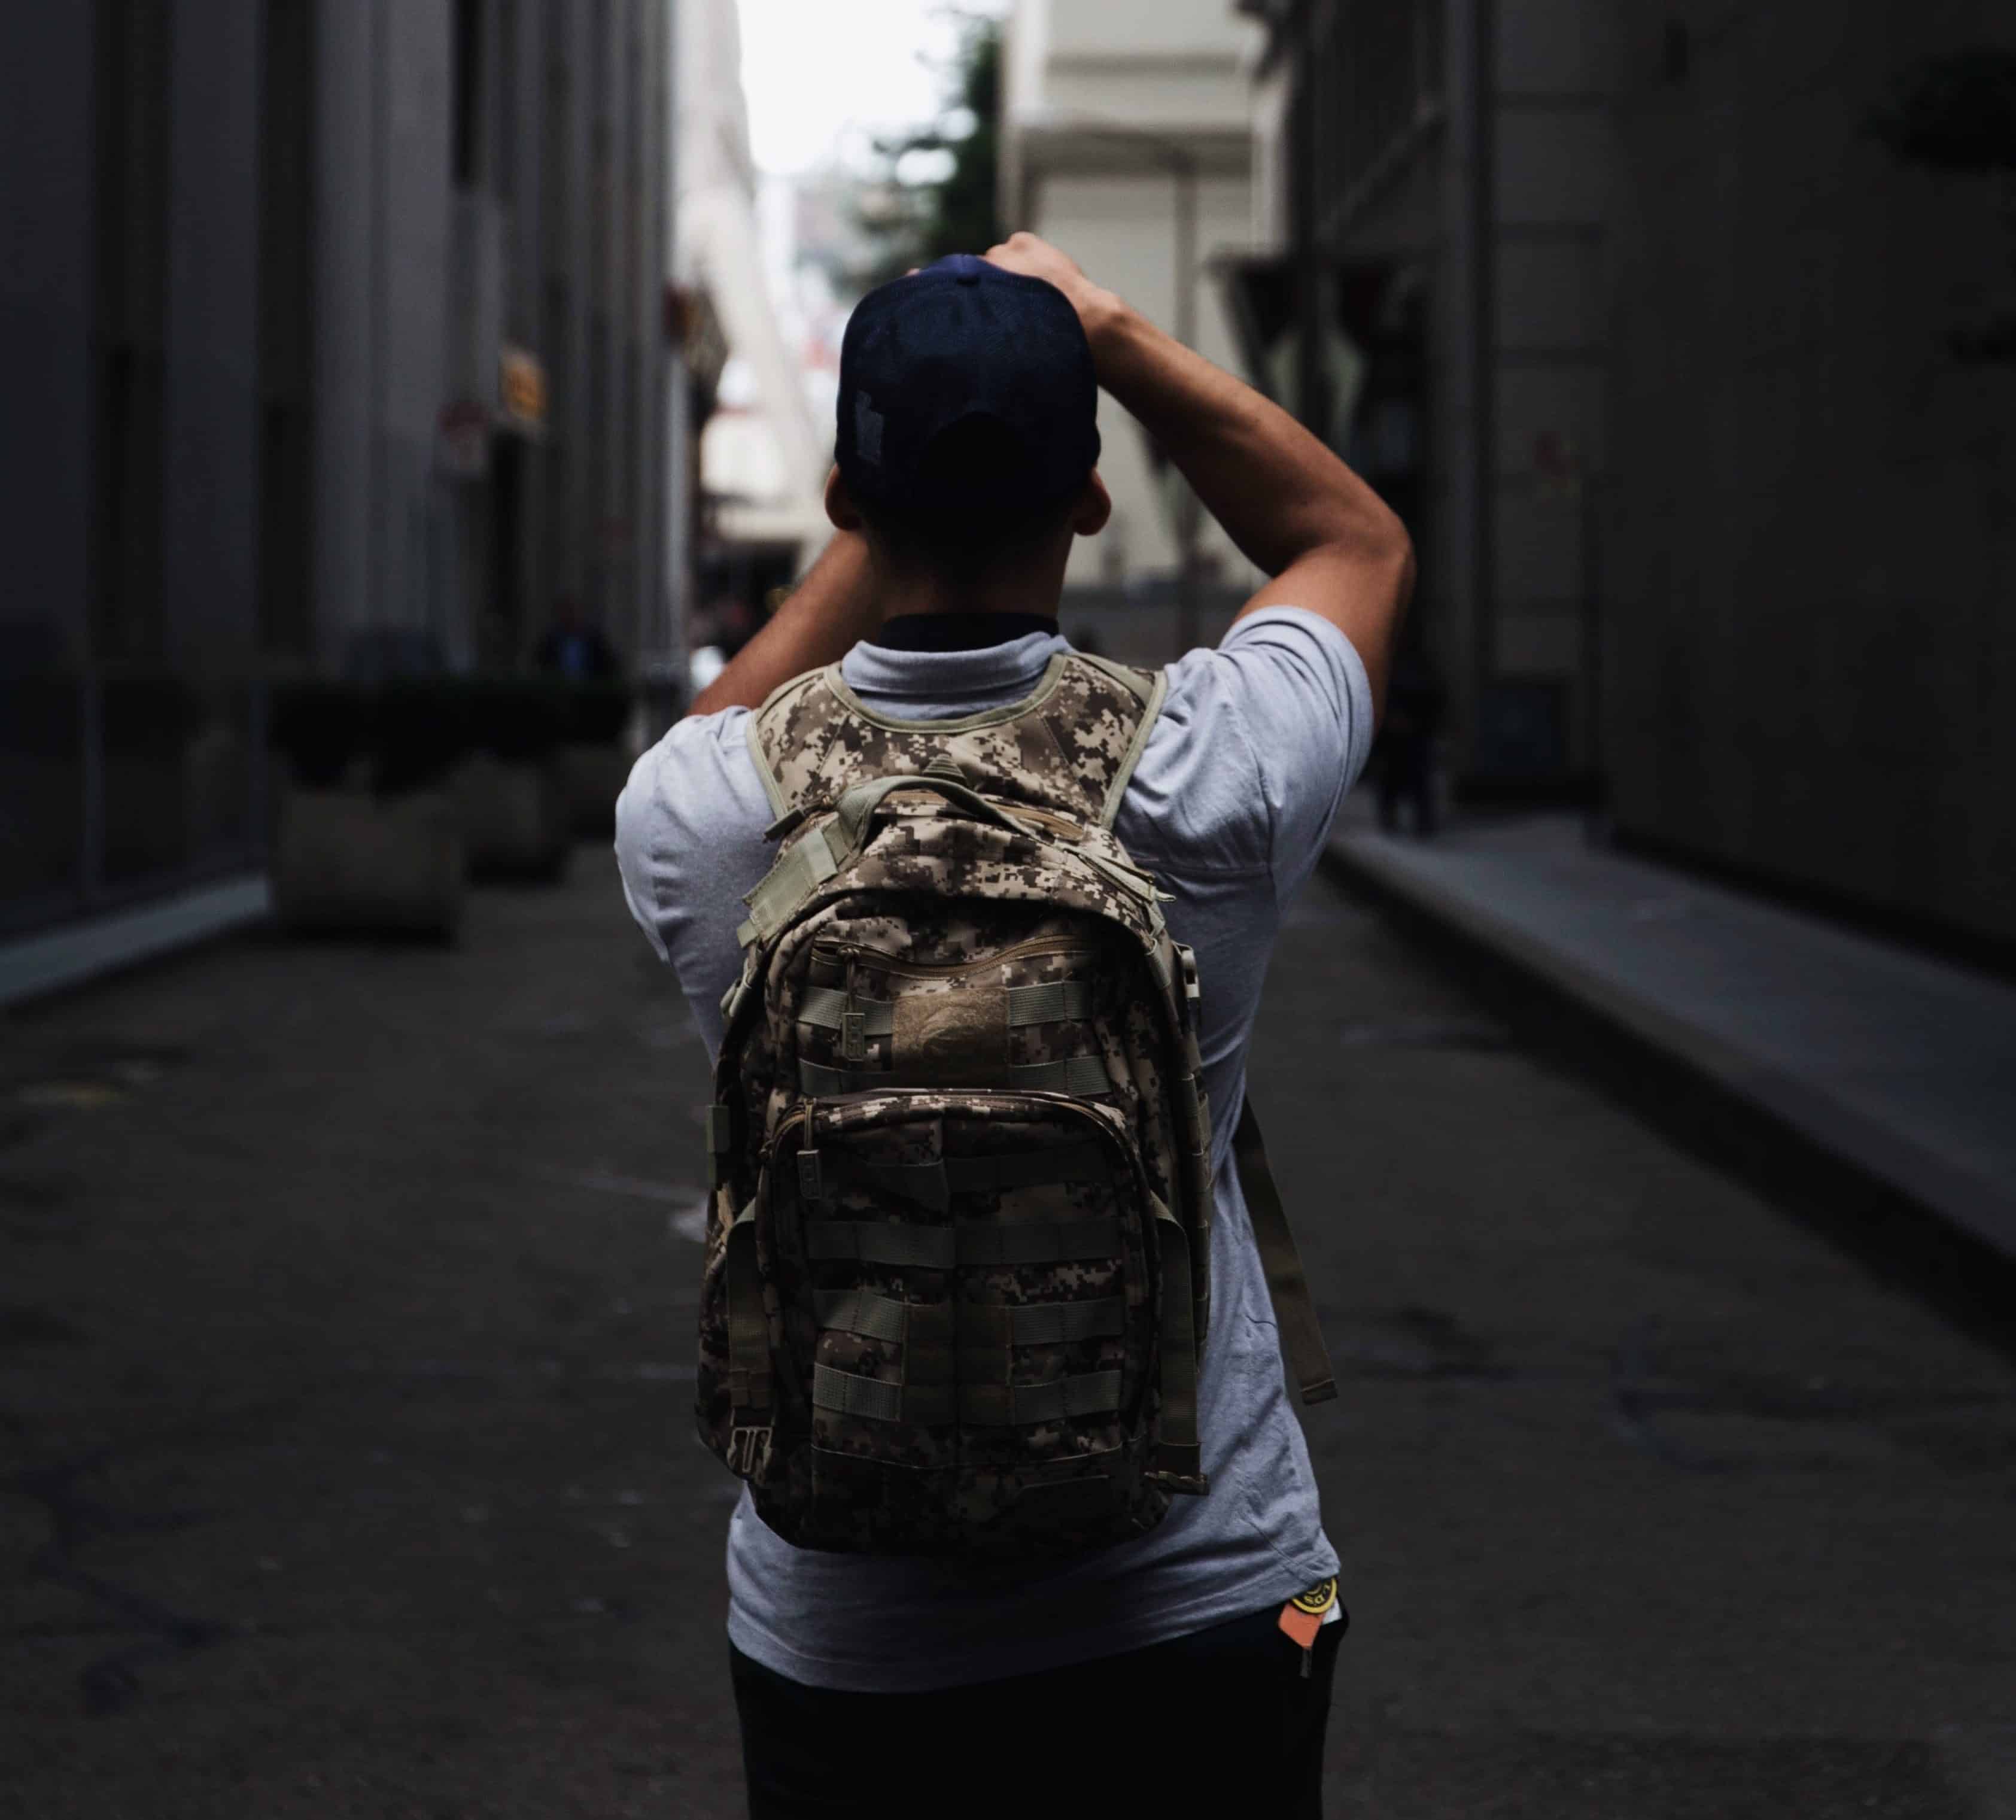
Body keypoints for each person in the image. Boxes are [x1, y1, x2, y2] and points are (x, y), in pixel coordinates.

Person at [615, 234, 1414, 1817]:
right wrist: (1102, 328)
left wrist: (895, 491)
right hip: (1216, 1595)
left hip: (840, 1634)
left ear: (844, 500)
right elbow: (1354, 538)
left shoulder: (704, 814)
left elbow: (716, 726)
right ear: (1088, 496)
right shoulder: (1213, 767)